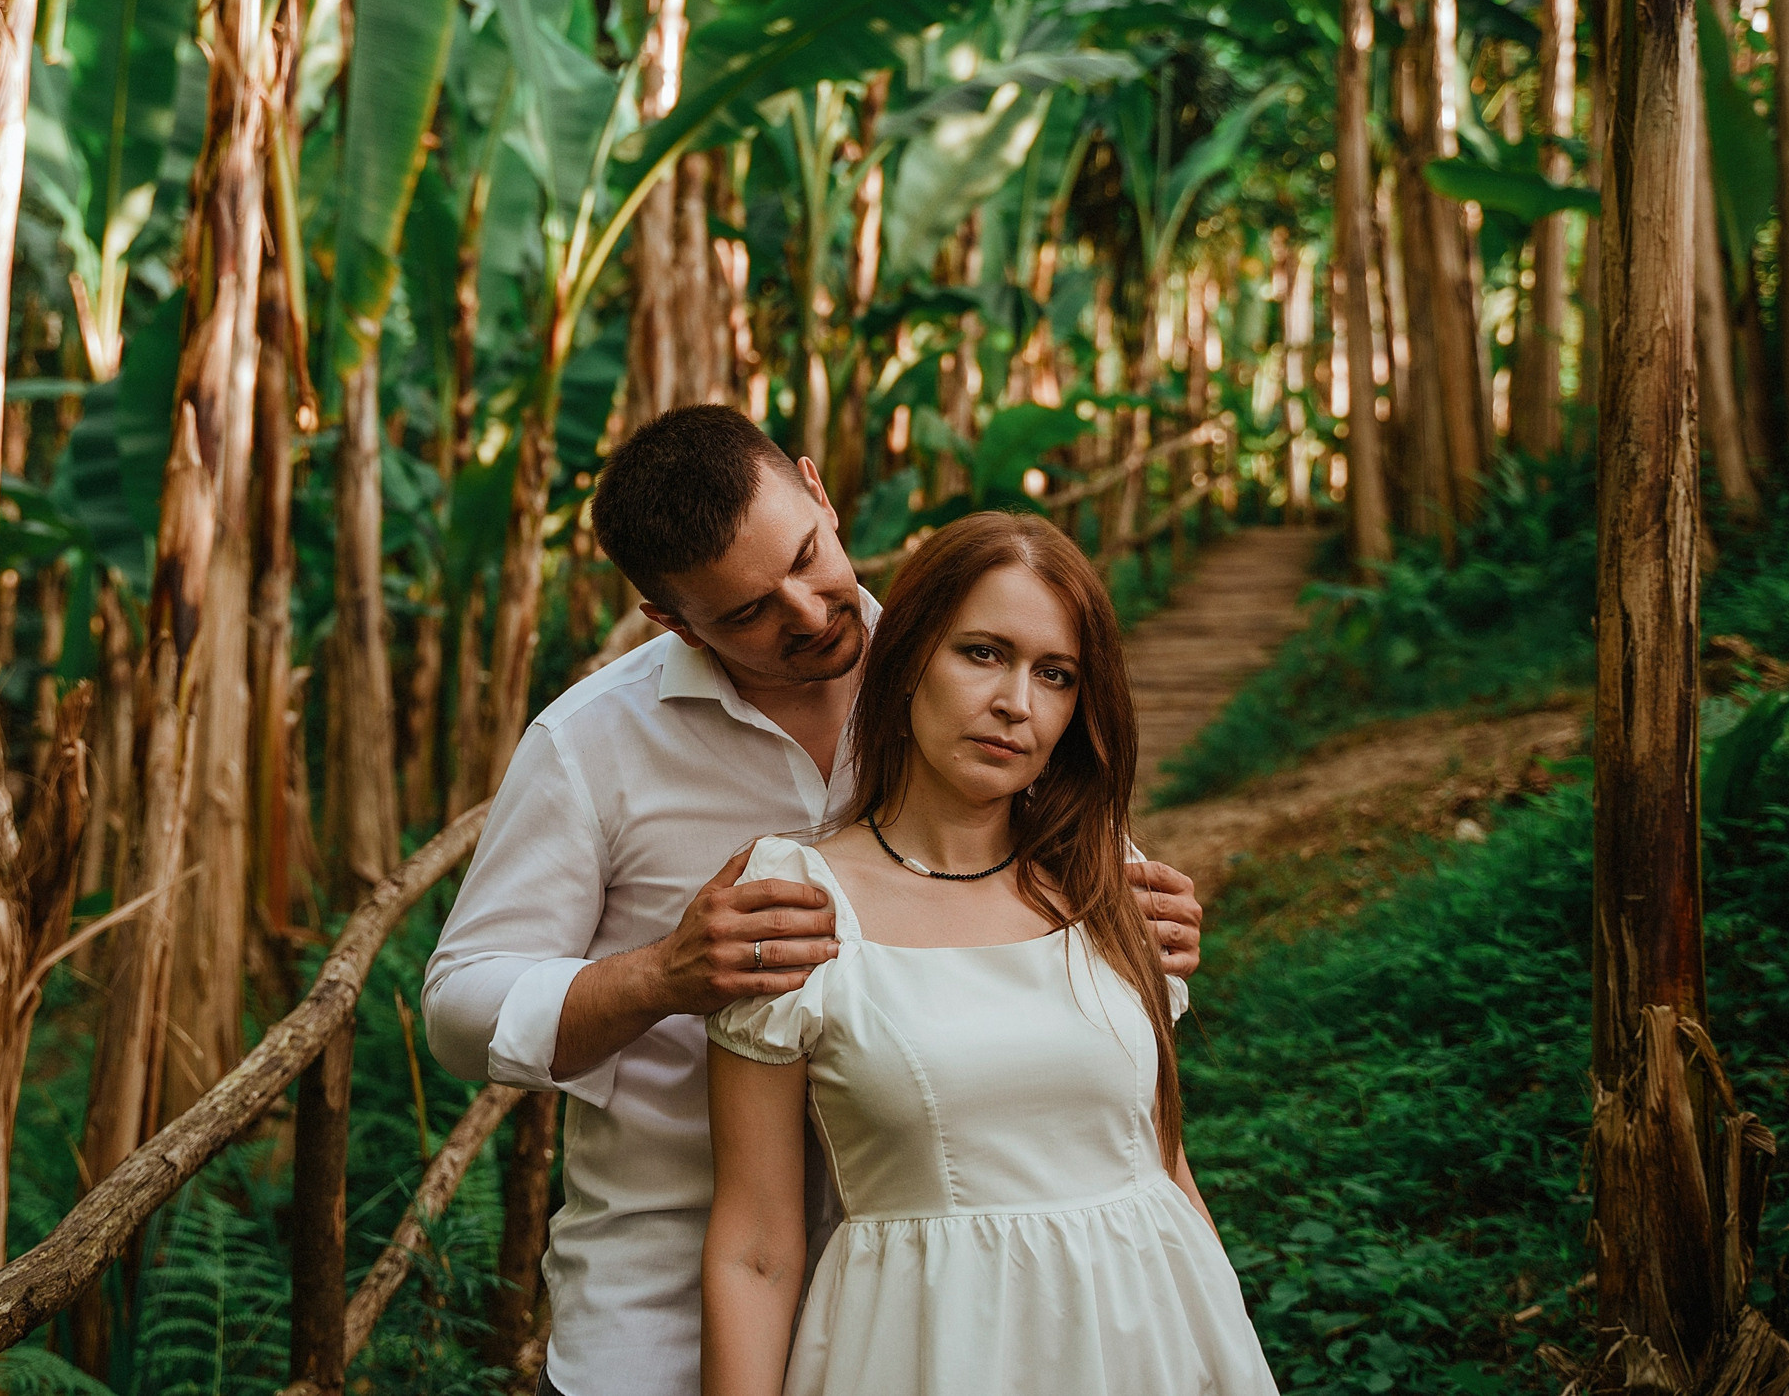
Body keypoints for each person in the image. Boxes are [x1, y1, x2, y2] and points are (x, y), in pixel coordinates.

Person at [424, 405, 1208, 1396]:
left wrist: (1141, 918)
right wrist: (661, 976)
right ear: (672, 621)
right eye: (749, 612)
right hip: (666, 1305)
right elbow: (458, 1007)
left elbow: (1068, 863)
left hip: (956, 1307)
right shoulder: (589, 747)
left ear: (818, 490)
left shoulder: (959, 660)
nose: (806, 611)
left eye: (807, 556)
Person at [700, 510, 1276, 1396]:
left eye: (1056, 674)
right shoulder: (797, 900)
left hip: (1155, 1339)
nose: (1017, 703)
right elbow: (755, 1249)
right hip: (927, 1350)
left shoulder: (1108, 879)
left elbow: (1162, 1164)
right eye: (982, 653)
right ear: (907, 661)